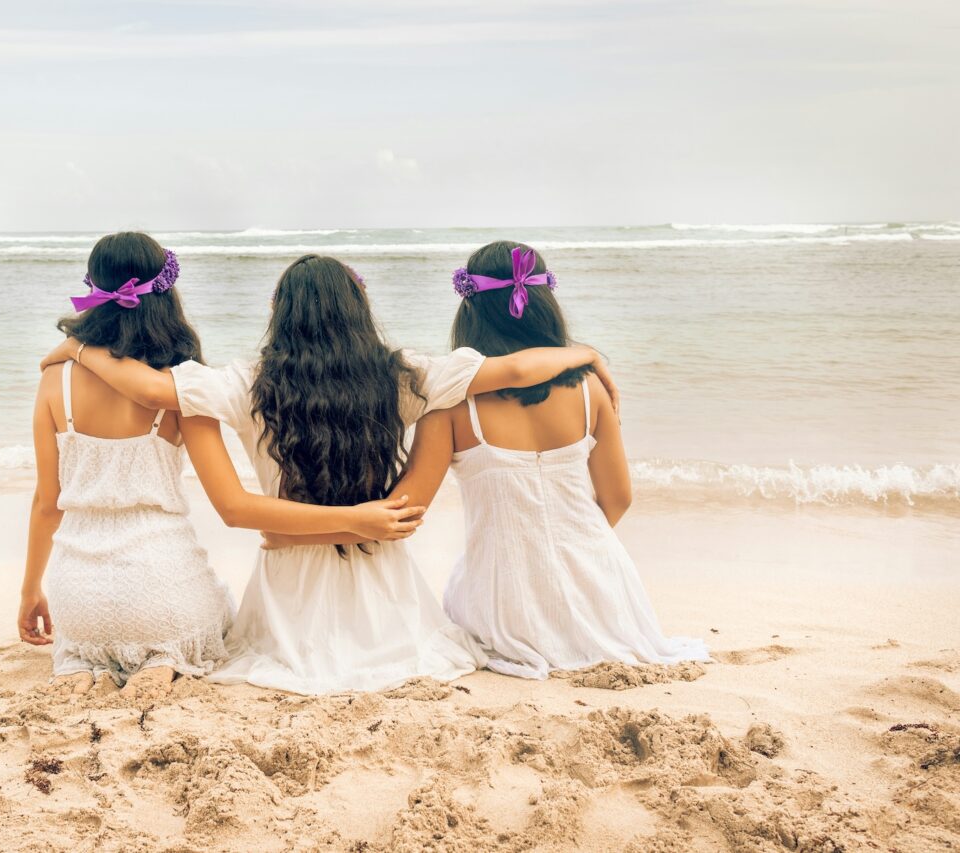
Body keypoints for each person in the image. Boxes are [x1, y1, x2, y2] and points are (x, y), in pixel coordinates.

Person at [41, 253, 619, 694]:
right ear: (360, 309)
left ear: (278, 314)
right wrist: (585, 354)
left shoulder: (247, 383)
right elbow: (515, 367)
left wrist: (80, 348)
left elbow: (148, 386)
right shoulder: (405, 377)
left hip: (287, 593)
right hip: (387, 595)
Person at [276, 241, 708, 679]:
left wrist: (297, 528)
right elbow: (618, 499)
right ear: (546, 304)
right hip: (606, 596)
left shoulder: (452, 405)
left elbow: (400, 517)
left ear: (470, 310)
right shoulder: (591, 389)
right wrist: (567, 554)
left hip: (504, 599)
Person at [20, 235, 428, 698]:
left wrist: (30, 590)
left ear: (92, 287)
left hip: (78, 592)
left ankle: (80, 662)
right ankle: (163, 659)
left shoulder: (56, 379)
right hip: (161, 583)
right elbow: (228, 503)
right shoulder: (180, 380)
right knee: (206, 618)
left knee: (80, 644)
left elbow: (46, 503)